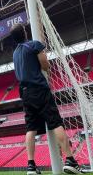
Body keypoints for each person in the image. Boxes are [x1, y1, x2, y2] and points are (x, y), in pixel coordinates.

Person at [11, 24, 84, 175]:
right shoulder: (34, 45)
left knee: (31, 128)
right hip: (39, 90)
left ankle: (31, 165)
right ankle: (70, 160)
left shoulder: (15, 53)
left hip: (24, 93)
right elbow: (45, 65)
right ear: (24, 32)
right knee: (55, 122)